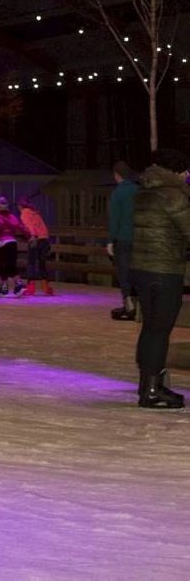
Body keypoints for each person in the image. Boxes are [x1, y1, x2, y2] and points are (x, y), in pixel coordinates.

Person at [130, 148, 190, 409]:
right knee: (159, 329)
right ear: (178, 171)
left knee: (151, 327)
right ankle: (152, 390)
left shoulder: (145, 191)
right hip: (165, 269)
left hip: (142, 267)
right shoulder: (173, 194)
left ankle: (148, 382)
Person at [109, 161, 138, 320]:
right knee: (136, 270)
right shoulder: (139, 190)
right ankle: (138, 303)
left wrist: (110, 240)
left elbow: (115, 219)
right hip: (139, 238)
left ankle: (129, 303)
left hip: (123, 238)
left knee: (124, 271)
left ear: (117, 175)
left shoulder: (118, 193)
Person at [0, 196, 30, 297]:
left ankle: (17, 285)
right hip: (12, 243)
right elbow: (20, 227)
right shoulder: (12, 217)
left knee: (4, 266)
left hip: (3, 244)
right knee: (10, 265)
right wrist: (28, 235)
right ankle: (7, 287)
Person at [18, 197, 53, 296]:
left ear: (20, 206)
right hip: (44, 239)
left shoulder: (25, 213)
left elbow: (29, 225)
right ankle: (45, 287)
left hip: (36, 239)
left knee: (31, 263)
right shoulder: (36, 213)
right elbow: (43, 227)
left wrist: (33, 236)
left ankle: (31, 287)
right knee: (42, 263)